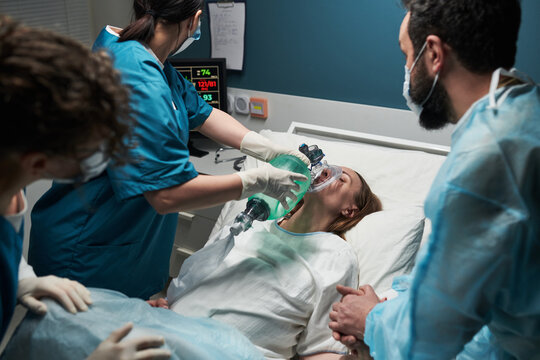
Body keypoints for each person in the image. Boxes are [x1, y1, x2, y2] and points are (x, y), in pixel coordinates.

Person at [28, 0, 309, 300]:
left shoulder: (145, 58)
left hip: (121, 249)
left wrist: (265, 148)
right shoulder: (137, 76)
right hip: (87, 252)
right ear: (195, 20)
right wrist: (255, 181)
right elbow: (166, 195)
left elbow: (201, 113)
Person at [328, 0, 540, 358]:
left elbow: (427, 343)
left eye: (406, 56)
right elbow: (481, 282)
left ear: (435, 55)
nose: (407, 71)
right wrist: (395, 301)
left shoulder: (481, 167)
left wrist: (372, 319)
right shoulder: (523, 106)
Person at [0, 16, 170, 359]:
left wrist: (20, 278)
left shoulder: (10, 189)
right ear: (37, 163)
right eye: (93, 148)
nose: (104, 155)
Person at [155, 164, 382, 359]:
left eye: (341, 179)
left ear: (349, 210)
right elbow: (191, 280)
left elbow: (319, 347)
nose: (325, 174)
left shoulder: (335, 254)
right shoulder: (251, 223)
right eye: (325, 169)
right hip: (165, 332)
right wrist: (161, 306)